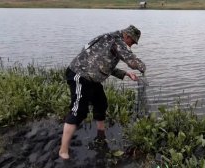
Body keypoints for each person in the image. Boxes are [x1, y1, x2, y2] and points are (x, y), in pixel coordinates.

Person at [59, 25, 146, 160]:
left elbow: (103, 64)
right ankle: (63, 150)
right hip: (80, 75)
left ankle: (101, 134)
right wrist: (142, 67)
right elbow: (131, 60)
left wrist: (126, 74)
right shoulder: (117, 41)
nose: (132, 45)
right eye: (132, 42)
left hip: (91, 77)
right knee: (78, 111)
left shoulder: (109, 39)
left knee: (101, 103)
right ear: (127, 36)